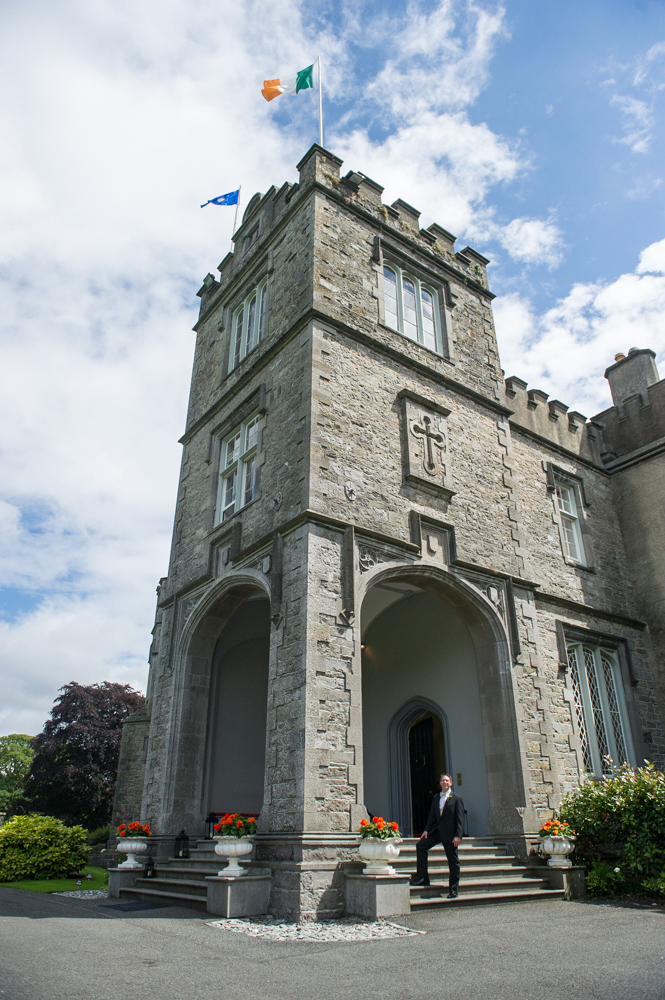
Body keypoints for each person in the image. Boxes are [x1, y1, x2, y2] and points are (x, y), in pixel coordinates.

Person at [411, 773, 464, 897]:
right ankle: (423, 878)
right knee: (421, 846)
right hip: (436, 832)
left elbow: (460, 819)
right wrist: (426, 830)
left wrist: (458, 836)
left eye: (446, 781)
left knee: (453, 861)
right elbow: (432, 816)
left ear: (450, 783)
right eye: (442, 781)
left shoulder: (457, 798)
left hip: (450, 835)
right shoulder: (436, 798)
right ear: (440, 783)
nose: (444, 782)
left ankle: (453, 890)